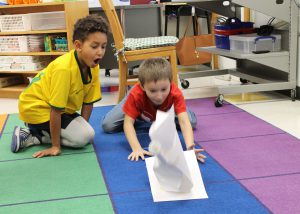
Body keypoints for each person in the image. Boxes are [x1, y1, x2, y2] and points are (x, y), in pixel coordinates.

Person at [11, 15, 110, 158]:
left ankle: (43, 133)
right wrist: (55, 146)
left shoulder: (93, 64)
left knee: (87, 135)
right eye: (94, 46)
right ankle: (33, 134)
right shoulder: (64, 69)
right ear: (78, 45)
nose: (100, 52)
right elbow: (55, 110)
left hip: (59, 108)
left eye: (103, 46)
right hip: (36, 108)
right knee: (81, 138)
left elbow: (88, 102)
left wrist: (82, 126)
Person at [102, 57, 206, 163]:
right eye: (153, 91)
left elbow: (184, 122)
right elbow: (128, 124)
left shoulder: (175, 93)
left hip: (166, 108)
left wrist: (190, 148)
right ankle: (133, 109)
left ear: (170, 83)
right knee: (108, 125)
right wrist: (137, 148)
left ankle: (175, 109)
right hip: (139, 102)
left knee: (191, 122)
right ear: (143, 86)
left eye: (164, 89)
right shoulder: (137, 94)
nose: (159, 96)